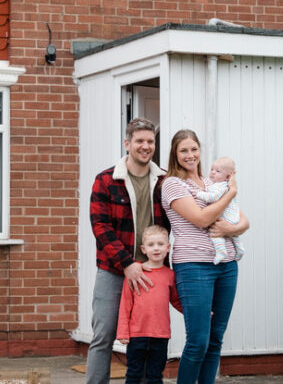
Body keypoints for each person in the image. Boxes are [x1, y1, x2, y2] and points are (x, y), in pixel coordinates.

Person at [160, 129, 249, 384]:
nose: (191, 155)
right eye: (184, 150)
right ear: (175, 155)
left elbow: (243, 221)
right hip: (194, 266)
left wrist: (231, 228)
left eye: (194, 149)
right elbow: (201, 219)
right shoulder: (172, 184)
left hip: (227, 265)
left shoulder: (211, 183)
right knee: (198, 341)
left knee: (215, 339)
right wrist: (231, 193)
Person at [86, 118, 170, 384]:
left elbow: (179, 220)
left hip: (152, 273)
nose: (145, 147)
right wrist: (127, 263)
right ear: (127, 144)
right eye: (140, 141)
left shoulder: (165, 181)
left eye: (150, 142)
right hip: (113, 270)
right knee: (103, 336)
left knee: (150, 339)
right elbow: (100, 226)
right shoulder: (106, 180)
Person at [116, 225, 182, 384]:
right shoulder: (135, 274)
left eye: (160, 244)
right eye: (151, 245)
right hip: (137, 335)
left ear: (168, 247)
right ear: (143, 249)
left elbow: (177, 301)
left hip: (161, 335)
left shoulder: (170, 275)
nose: (156, 248)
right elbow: (125, 305)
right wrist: (123, 333)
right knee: (134, 374)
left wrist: (199, 312)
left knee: (155, 376)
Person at [193, 157, 244, 264]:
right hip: (232, 217)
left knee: (215, 233)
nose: (212, 173)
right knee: (234, 235)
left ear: (228, 176)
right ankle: (240, 249)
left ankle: (221, 251)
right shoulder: (224, 186)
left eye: (217, 171)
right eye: (212, 169)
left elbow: (213, 198)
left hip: (225, 218)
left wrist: (198, 194)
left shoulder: (220, 187)